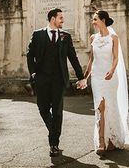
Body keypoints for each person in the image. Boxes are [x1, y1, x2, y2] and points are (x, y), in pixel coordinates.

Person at [27, 8, 87, 157]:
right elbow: (30, 56)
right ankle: (54, 131)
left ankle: (54, 143)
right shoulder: (38, 35)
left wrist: (81, 77)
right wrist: (33, 73)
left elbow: (73, 58)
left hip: (59, 80)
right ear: (52, 19)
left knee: (58, 111)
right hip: (42, 78)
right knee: (42, 108)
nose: (62, 20)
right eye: (60, 18)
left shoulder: (65, 36)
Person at [81, 10, 129, 154]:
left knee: (110, 106)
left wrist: (112, 70)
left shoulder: (114, 38)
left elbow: (116, 57)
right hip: (97, 77)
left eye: (95, 19)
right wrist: (85, 77)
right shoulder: (93, 38)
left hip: (110, 76)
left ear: (103, 20)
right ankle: (101, 140)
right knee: (100, 107)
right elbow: (91, 59)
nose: (93, 22)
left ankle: (112, 139)